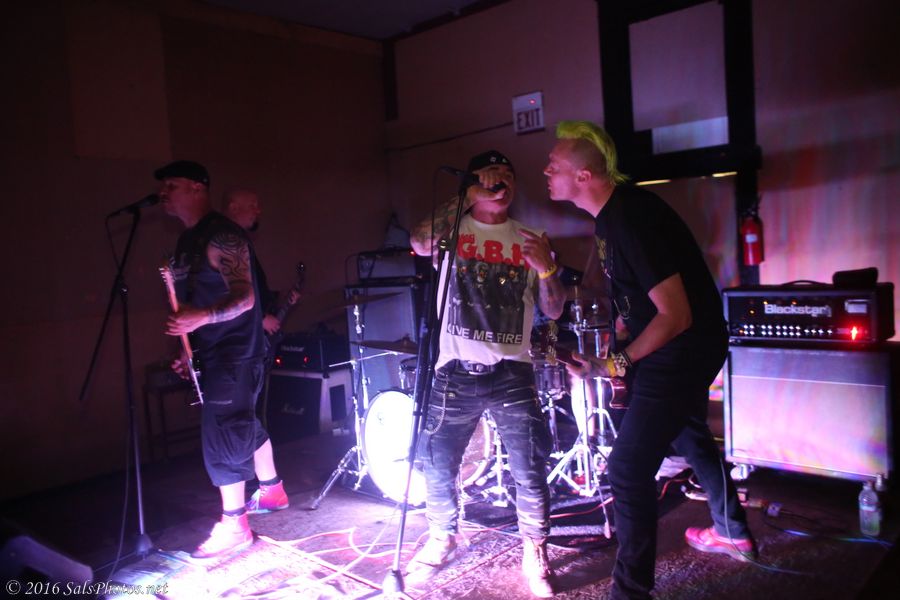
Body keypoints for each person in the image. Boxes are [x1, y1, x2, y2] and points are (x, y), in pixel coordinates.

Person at [543, 121, 755, 599]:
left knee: (626, 469)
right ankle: (731, 528)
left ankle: (631, 592)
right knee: (689, 433)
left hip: (682, 349)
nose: (545, 171)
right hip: (681, 345)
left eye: (554, 165)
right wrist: (616, 341)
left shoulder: (630, 218)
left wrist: (617, 364)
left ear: (583, 175)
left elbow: (675, 315)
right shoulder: (610, 219)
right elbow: (639, 297)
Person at [409, 150, 566, 598]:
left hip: (512, 371)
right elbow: (418, 241)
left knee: (529, 466)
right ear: (472, 182)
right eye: (491, 175)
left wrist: (547, 269)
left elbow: (555, 309)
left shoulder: (531, 237)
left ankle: (535, 548)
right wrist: (468, 195)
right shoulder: (452, 229)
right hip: (454, 371)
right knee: (438, 462)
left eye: (508, 175)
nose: (501, 182)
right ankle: (442, 536)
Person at [156, 161, 288, 562]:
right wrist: (186, 350)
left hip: (236, 352)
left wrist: (201, 318)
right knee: (241, 423)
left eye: (172, 185)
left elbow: (245, 298)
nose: (163, 193)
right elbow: (190, 305)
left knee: (223, 432)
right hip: (212, 352)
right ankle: (272, 490)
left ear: (198, 188)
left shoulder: (223, 235)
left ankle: (235, 525)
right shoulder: (187, 241)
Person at [222, 189, 300, 339]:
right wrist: (261, 318)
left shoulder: (240, 240)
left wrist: (280, 297)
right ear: (234, 208)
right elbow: (227, 293)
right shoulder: (226, 241)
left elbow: (252, 287)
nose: (258, 211)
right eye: (252, 205)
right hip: (239, 338)